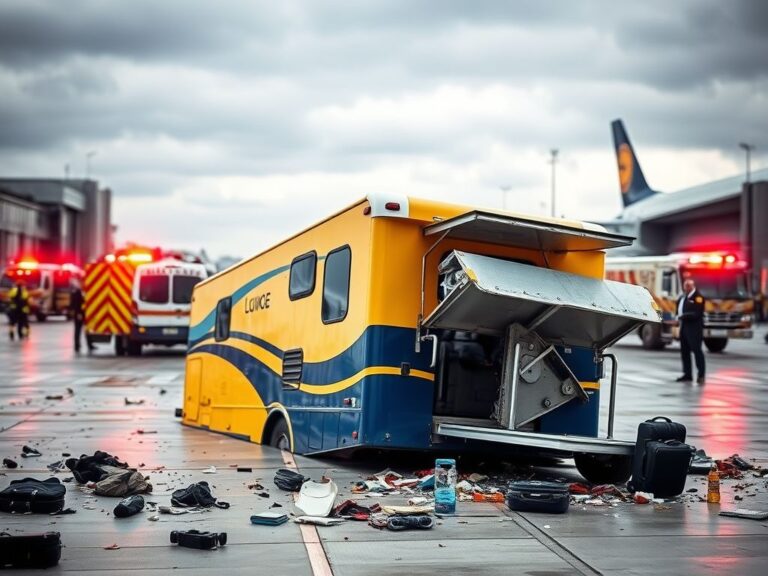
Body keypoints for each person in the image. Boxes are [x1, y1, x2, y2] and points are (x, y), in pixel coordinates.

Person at [676, 278, 706, 384]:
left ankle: (701, 375)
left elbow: (697, 313)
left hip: (694, 330)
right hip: (684, 328)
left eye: (689, 286)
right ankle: (687, 374)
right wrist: (677, 318)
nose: (686, 288)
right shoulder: (683, 297)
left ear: (693, 286)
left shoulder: (698, 297)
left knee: (697, 351)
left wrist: (683, 316)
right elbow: (678, 310)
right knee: (685, 352)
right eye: (685, 286)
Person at [70, 281, 94, 353]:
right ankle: (77, 346)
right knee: (78, 330)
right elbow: (76, 304)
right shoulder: (77, 293)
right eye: (82, 283)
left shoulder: (85, 292)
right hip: (79, 314)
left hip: (85, 314)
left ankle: (90, 345)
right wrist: (78, 313)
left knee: (87, 329)